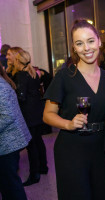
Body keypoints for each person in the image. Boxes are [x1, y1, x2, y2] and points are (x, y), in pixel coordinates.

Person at [43, 19, 105, 200]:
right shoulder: (65, 77)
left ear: (99, 41)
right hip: (71, 149)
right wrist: (68, 123)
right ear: (74, 47)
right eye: (79, 43)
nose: (86, 48)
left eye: (90, 41)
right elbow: (47, 115)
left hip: (100, 149)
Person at [6, 47, 48, 186]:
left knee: (31, 146)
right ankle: (43, 167)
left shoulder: (21, 75)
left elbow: (21, 97)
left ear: (18, 61)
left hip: (28, 114)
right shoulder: (33, 73)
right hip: (37, 111)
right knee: (38, 141)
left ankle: (34, 174)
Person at [0, 62, 31, 200]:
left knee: (11, 186)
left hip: (7, 143)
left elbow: (7, 116)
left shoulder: (0, 86)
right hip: (7, 143)